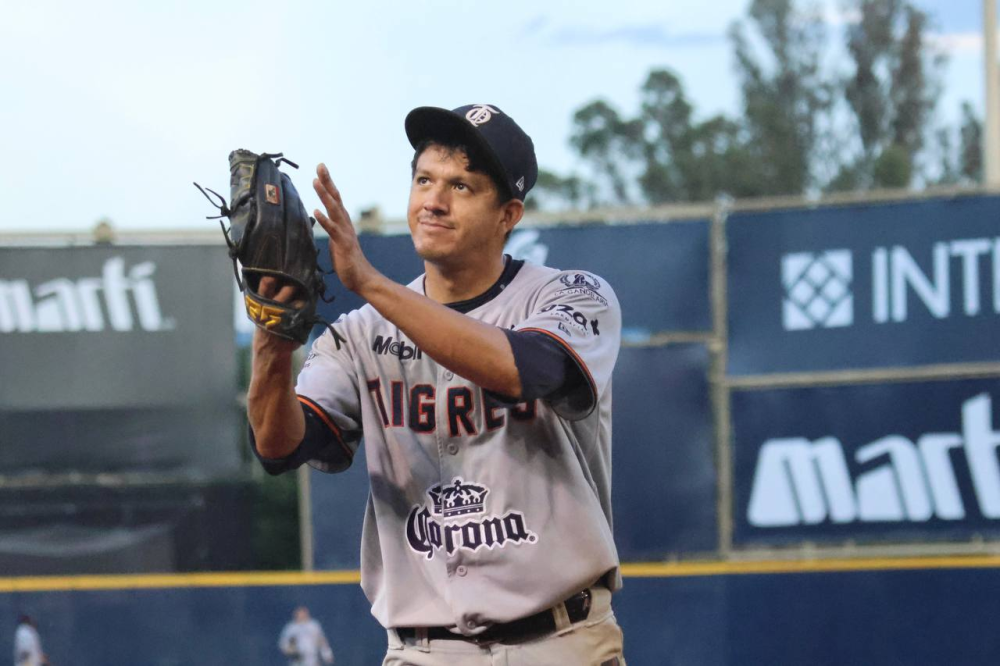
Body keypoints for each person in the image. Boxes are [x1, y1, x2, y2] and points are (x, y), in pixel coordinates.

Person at [249, 103, 625, 665]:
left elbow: (523, 370)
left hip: (560, 641)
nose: (434, 200)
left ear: (508, 214)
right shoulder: (358, 335)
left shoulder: (571, 296)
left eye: (462, 186)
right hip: (423, 650)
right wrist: (272, 343)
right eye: (424, 179)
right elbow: (279, 446)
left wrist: (370, 283)